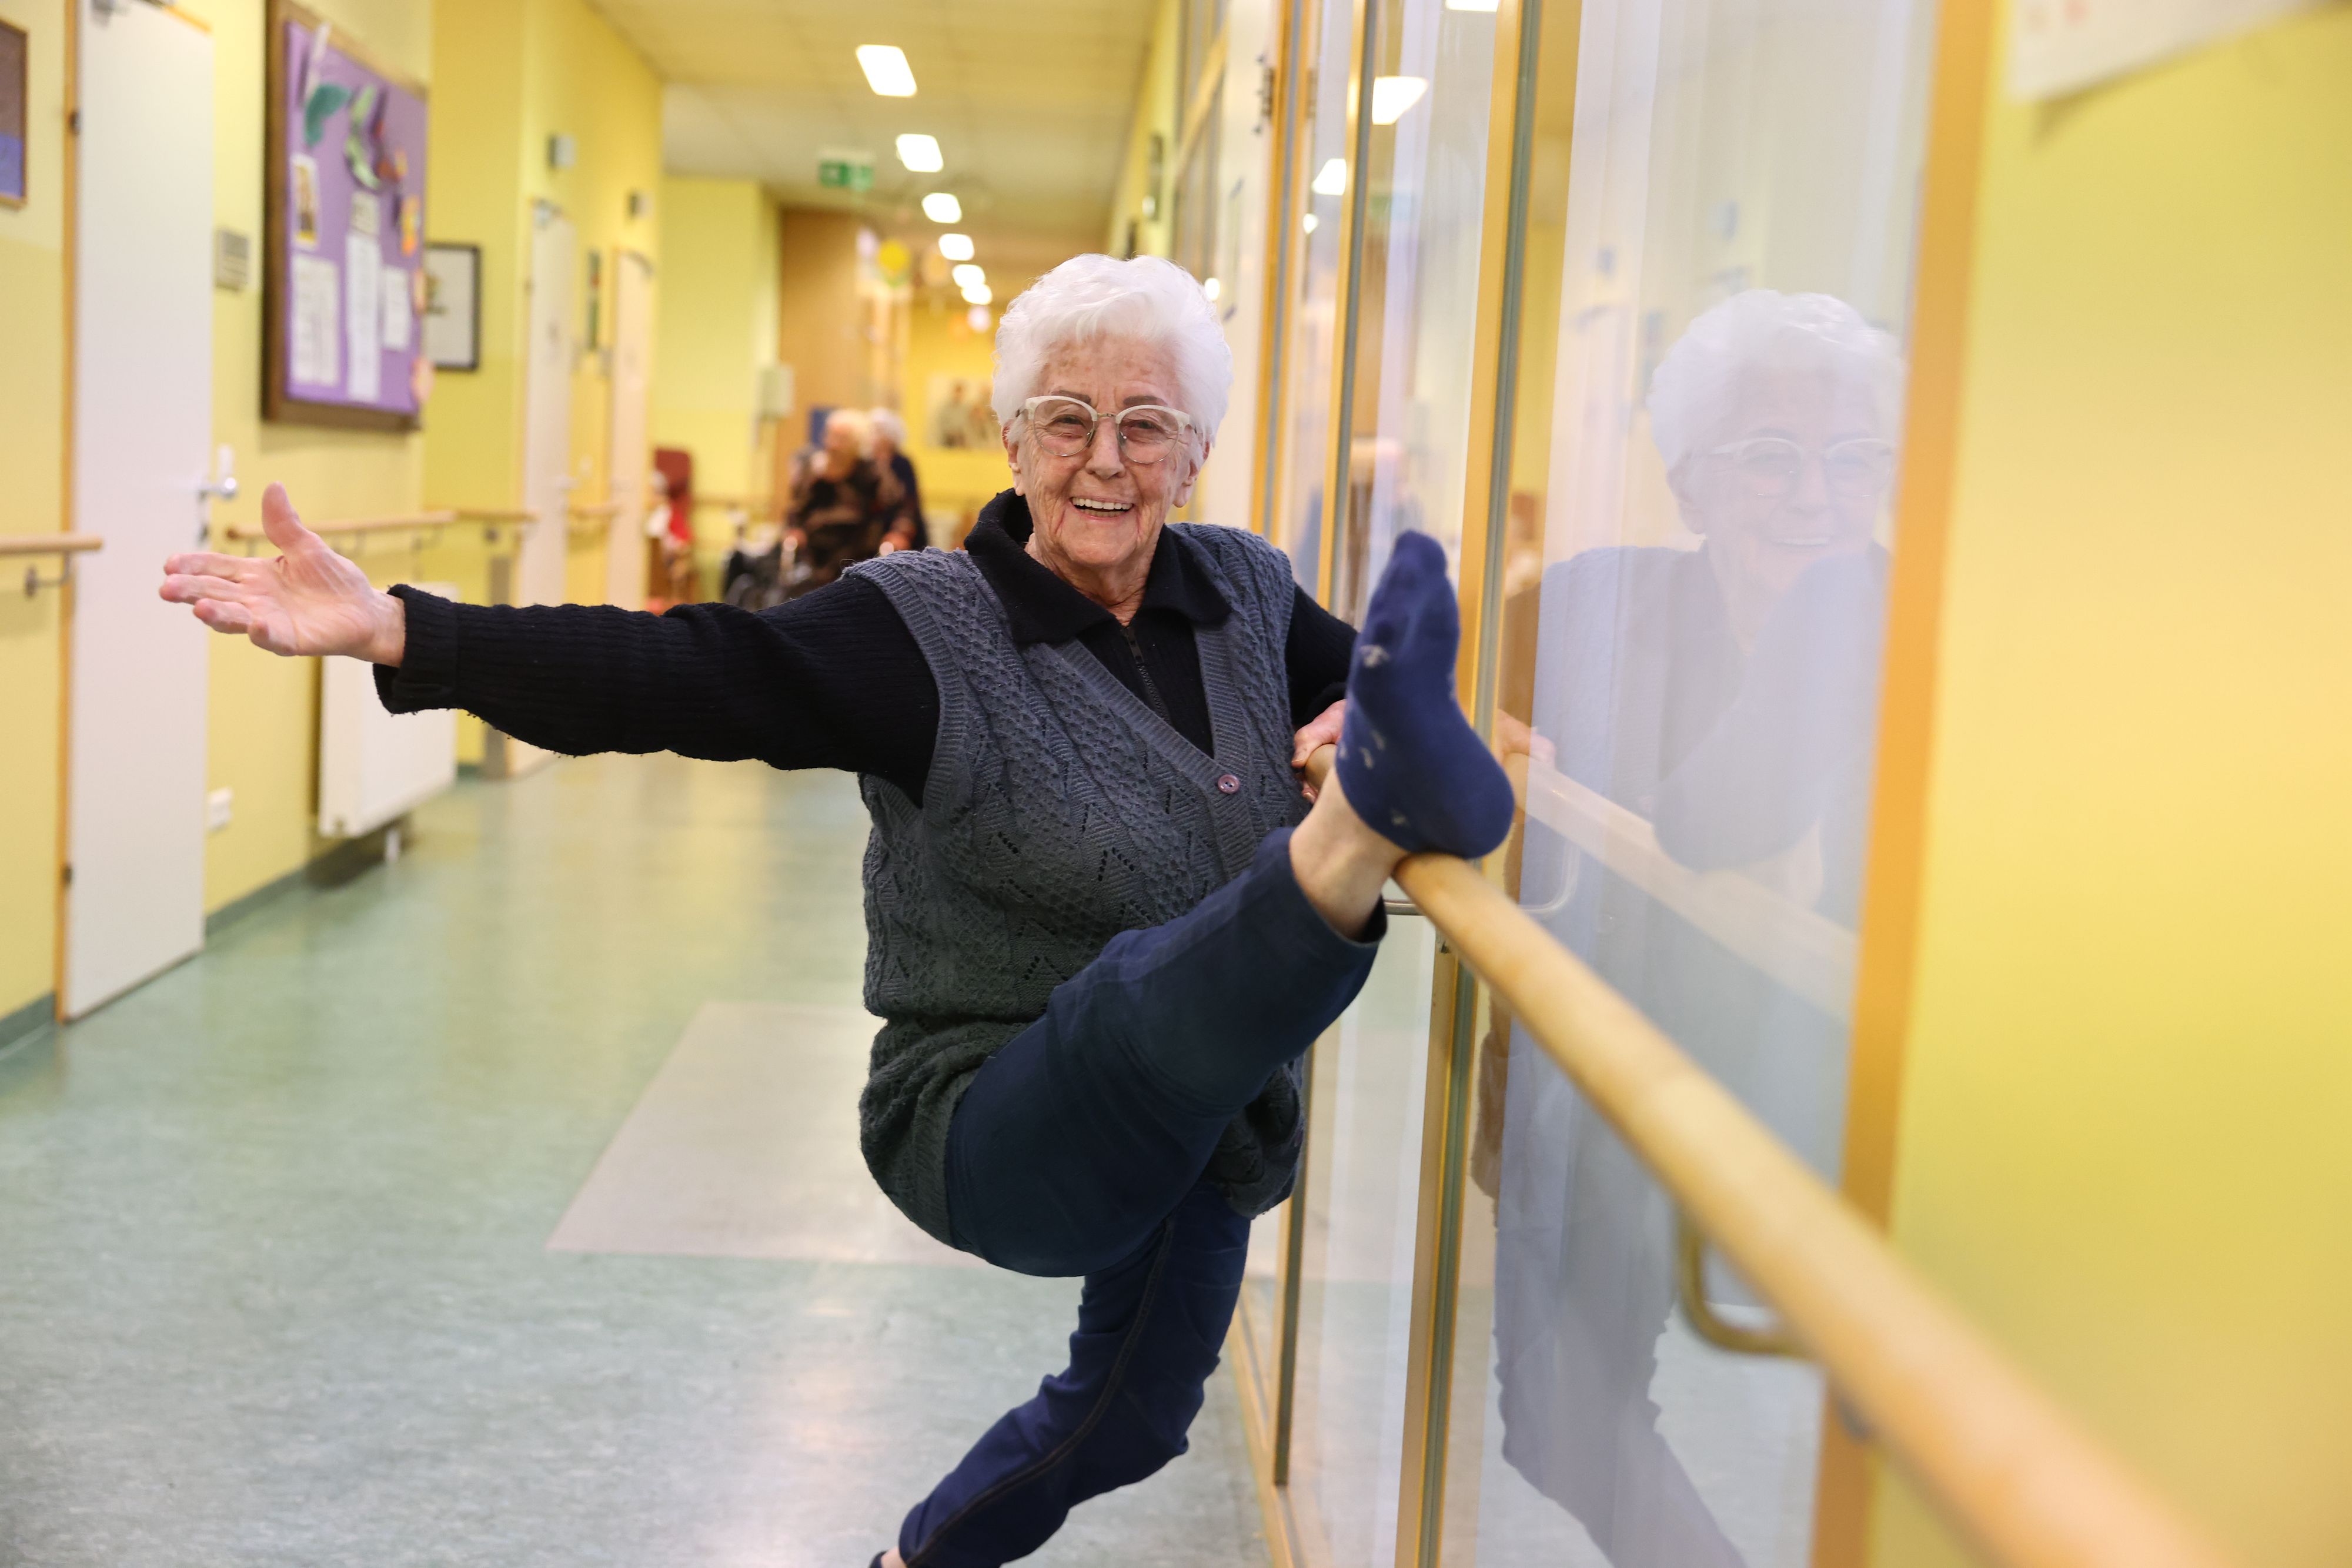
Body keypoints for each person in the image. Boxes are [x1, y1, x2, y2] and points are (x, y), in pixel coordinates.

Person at [158, 252, 1517, 1568]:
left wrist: (1427, 729)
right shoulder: (920, 629)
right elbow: (683, 671)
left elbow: (1378, 699)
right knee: (1129, 1004)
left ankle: (916, 1559)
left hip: (1208, 1127)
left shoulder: (1245, 594)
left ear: (1195, 449)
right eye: (1066, 420)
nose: (1104, 459)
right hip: (994, 1113)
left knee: (1133, 1423)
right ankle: (1348, 847)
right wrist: (409, 630)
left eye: (1145, 426)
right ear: (1010, 435)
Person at [1486, 289, 1902, 1565]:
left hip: (1834, 1107)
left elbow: (1711, 819)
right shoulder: (1598, 601)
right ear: (1690, 483)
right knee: (1555, 1419)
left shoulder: (1901, 624)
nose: (1813, 495)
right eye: (1769, 456)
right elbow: (1511, 773)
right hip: (1612, 1059)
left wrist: (1828, 628)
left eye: (1854, 460)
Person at [787, 407, 891, 591]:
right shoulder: (814, 470)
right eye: (830, 436)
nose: (833, 445)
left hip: (857, 550)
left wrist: (896, 534)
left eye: (842, 439)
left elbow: (896, 509)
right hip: (813, 552)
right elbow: (796, 509)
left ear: (857, 444)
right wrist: (794, 530)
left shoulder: (872, 474)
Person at [868, 405, 927, 551]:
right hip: (873, 530)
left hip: (900, 531)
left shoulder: (902, 463)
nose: (874, 437)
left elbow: (910, 501)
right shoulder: (866, 462)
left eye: (880, 432)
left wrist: (900, 530)